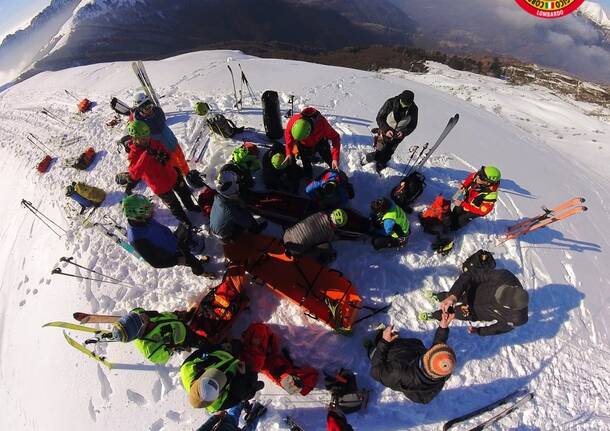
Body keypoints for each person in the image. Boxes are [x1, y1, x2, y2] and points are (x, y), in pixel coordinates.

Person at [368, 313, 456, 404]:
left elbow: (375, 371)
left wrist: (384, 342)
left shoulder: (399, 372)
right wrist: (443, 328)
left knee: (375, 352)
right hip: (412, 353)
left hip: (394, 358)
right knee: (411, 344)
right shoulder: (442, 371)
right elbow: (437, 351)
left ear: (427, 358)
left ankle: (371, 348)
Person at [126, 120, 200, 225]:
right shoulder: (133, 155)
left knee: (185, 193)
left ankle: (191, 207)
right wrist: (145, 156)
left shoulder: (154, 142)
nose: (147, 140)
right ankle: (185, 221)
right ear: (134, 139)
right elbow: (134, 174)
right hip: (160, 186)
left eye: (147, 136)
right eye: (143, 139)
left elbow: (167, 154)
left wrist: (165, 157)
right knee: (175, 205)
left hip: (172, 175)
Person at [122, 194, 212, 276]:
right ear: (137, 216)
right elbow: (155, 262)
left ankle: (195, 262)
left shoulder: (144, 219)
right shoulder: (137, 239)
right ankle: (201, 272)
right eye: (147, 212)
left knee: (188, 252)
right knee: (191, 261)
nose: (151, 213)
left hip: (173, 241)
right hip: (172, 253)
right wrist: (176, 260)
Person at [427, 268, 529, 336]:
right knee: (451, 297)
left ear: (509, 307)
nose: (495, 295)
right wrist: (453, 296)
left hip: (474, 313)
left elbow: (499, 328)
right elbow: (471, 274)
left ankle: (435, 315)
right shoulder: (504, 276)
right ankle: (439, 296)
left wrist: (480, 331)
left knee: (453, 314)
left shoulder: (516, 319)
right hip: (473, 292)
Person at [110, 307, 211, 364]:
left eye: (136, 316)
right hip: (183, 336)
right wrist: (170, 347)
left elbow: (154, 314)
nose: (143, 315)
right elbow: (162, 358)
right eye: (141, 320)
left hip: (172, 319)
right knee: (207, 343)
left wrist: (176, 315)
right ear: (139, 332)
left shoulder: (138, 313)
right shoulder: (150, 349)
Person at [180, 348, 264, 412]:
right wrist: (241, 375)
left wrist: (220, 347)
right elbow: (237, 396)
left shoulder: (186, 369)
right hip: (240, 369)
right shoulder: (217, 405)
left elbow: (202, 351)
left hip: (226, 350)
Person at [131, 92, 190, 175]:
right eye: (146, 108)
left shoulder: (157, 111)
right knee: (173, 164)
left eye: (150, 106)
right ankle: (180, 177)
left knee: (180, 157)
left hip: (170, 139)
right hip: (162, 147)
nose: (150, 109)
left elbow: (163, 121)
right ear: (140, 110)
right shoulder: (140, 123)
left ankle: (187, 173)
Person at [364, 90, 419, 172]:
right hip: (384, 132)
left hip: (397, 137)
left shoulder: (414, 109)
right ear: (401, 99)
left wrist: (404, 132)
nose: (405, 106)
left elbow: (412, 125)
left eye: (407, 104)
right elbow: (379, 118)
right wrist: (386, 130)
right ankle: (367, 159)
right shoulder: (390, 103)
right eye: (403, 103)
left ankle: (381, 164)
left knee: (388, 153)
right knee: (379, 152)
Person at [209, 170, 267, 243]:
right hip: (224, 236)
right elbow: (247, 221)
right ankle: (255, 230)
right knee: (243, 214)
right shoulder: (231, 211)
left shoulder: (218, 196)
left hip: (214, 227)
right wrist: (253, 225)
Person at [284, 107, 341, 178]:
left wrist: (335, 158)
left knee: (331, 161)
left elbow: (336, 137)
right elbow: (288, 135)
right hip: (303, 146)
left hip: (320, 142)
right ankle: (308, 175)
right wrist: (288, 153)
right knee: (307, 168)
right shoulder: (294, 121)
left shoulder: (322, 125)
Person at [283, 209, 347, 264]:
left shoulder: (320, 213)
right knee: (327, 247)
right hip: (295, 251)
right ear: (337, 225)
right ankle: (319, 263)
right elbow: (334, 237)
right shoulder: (329, 234)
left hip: (287, 236)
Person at [451, 165, 501, 230]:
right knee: (457, 210)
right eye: (480, 173)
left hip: (474, 210)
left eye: (481, 177)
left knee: (462, 219)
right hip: (467, 201)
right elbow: (470, 177)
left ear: (488, 183)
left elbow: (481, 211)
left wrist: (462, 204)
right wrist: (464, 186)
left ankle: (453, 228)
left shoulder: (491, 196)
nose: (477, 177)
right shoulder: (479, 176)